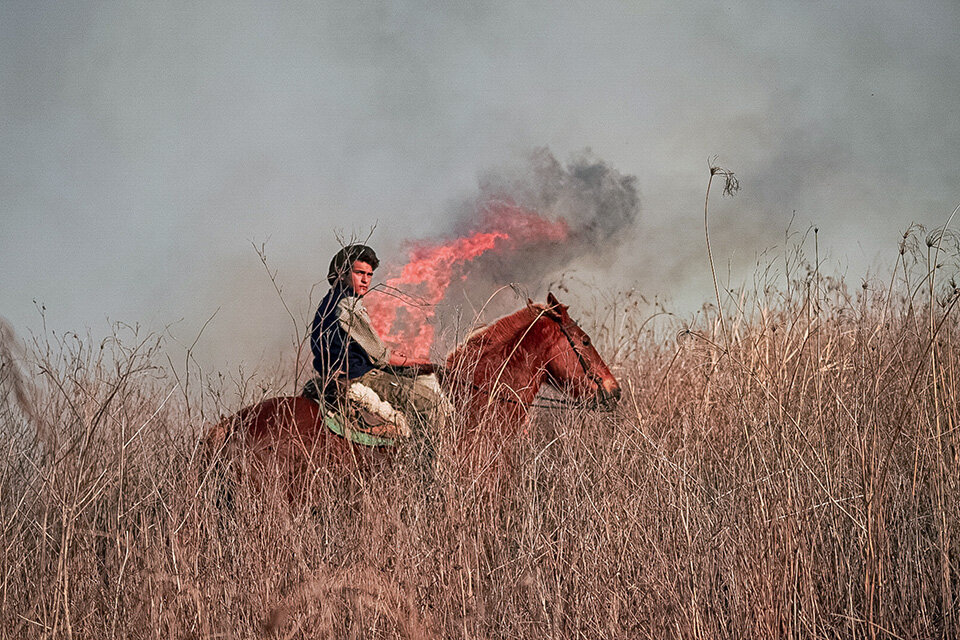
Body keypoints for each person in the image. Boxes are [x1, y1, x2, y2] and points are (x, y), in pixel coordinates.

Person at [308, 244, 449, 436]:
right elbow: (381, 357)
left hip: (335, 373)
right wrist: (417, 362)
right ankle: (430, 465)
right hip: (359, 377)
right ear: (341, 273)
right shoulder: (349, 307)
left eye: (369, 274)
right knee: (433, 403)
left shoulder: (329, 300)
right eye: (359, 273)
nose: (365, 280)